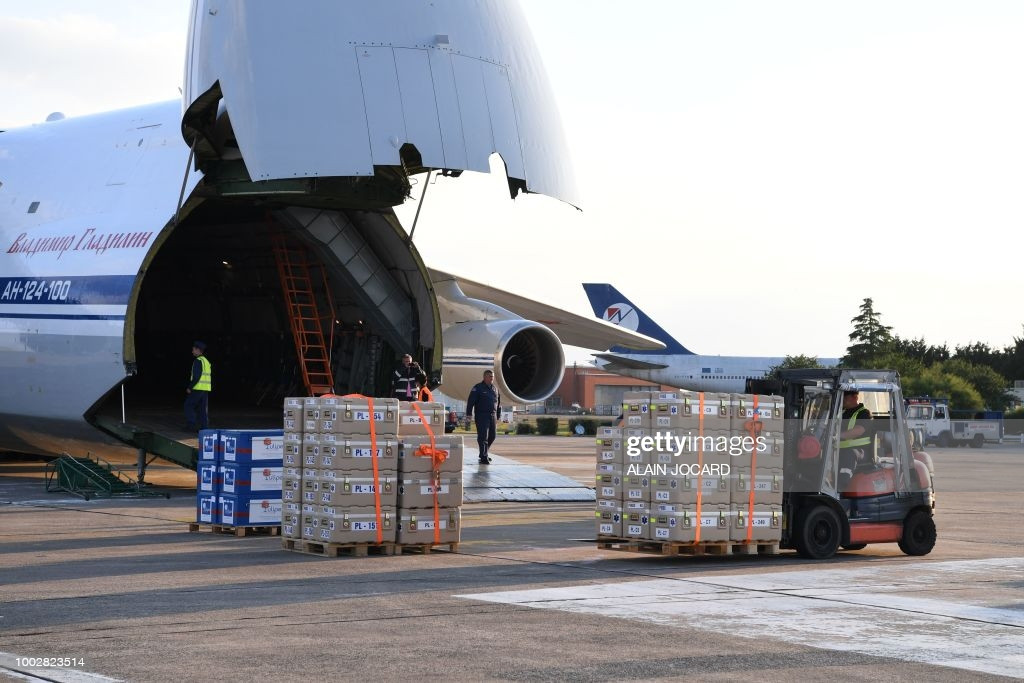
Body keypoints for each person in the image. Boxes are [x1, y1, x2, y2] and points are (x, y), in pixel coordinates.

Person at [838, 389, 872, 490]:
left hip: (860, 451)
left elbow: (858, 430)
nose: (843, 400)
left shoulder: (864, 413)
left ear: (855, 397)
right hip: (839, 448)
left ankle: (841, 486)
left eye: (845, 397)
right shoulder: (841, 412)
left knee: (849, 454)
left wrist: (837, 435)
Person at [466, 370, 500, 464]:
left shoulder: (495, 389)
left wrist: (498, 416)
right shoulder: (478, 388)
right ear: (485, 377)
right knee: (483, 436)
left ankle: (484, 453)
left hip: (492, 415)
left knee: (492, 436)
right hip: (482, 415)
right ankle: (484, 456)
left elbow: (498, 403)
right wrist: (469, 414)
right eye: (490, 376)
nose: (492, 378)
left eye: (493, 376)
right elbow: (470, 402)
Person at [184, 340, 212, 431]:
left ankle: (191, 425)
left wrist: (190, 387)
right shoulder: (206, 361)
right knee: (202, 409)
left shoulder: (198, 361)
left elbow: (196, 376)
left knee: (188, 405)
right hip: (205, 389)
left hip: (197, 388)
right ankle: (205, 428)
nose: (192, 351)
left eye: (193, 349)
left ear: (198, 350)